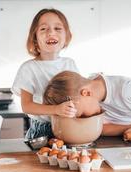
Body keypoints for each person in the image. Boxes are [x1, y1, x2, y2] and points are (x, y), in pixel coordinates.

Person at [12, 9, 78, 139]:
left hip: (69, 127)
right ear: (35, 38)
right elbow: (27, 106)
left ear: (66, 36)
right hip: (42, 132)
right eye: (43, 29)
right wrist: (56, 110)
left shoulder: (70, 63)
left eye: (58, 28)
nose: (51, 32)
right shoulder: (29, 68)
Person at [43, 71, 131, 136]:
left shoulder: (126, 89)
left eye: (81, 114)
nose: (83, 118)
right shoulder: (93, 96)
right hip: (130, 137)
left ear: (86, 93)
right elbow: (101, 129)